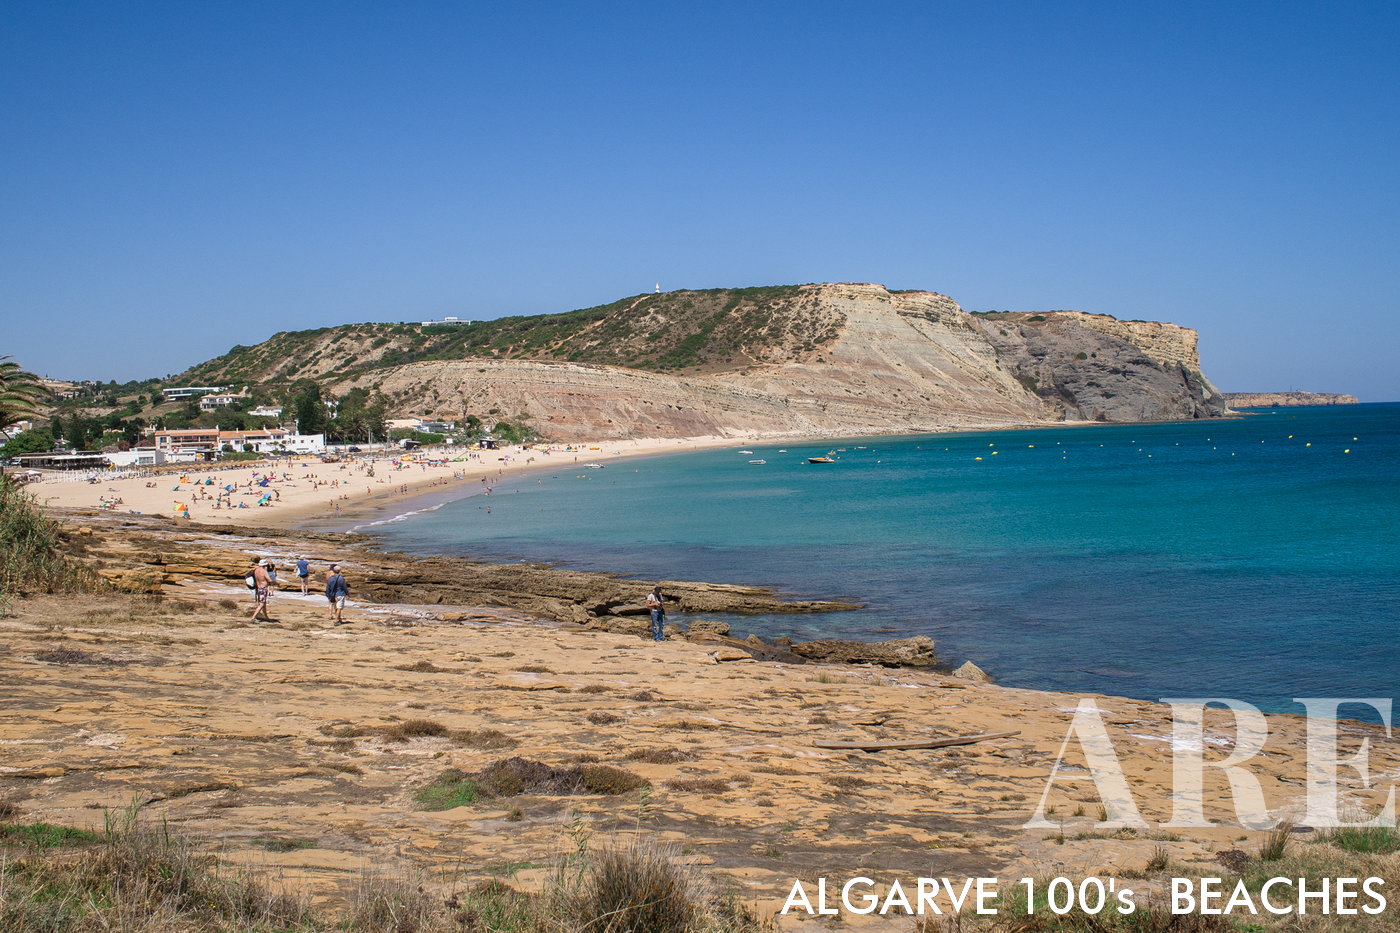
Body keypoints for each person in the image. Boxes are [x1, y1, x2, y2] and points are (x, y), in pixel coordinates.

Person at [249, 558, 275, 623]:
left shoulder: (256, 570)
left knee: (263, 603)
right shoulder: (264, 571)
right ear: (265, 565)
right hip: (263, 588)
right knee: (261, 604)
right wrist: (276, 582)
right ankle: (253, 618)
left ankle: (266, 617)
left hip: (258, 588)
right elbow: (269, 580)